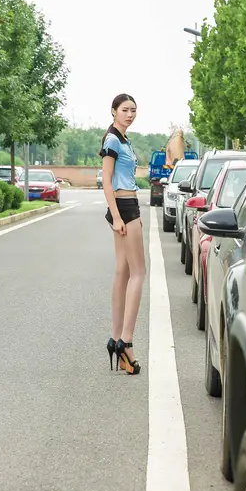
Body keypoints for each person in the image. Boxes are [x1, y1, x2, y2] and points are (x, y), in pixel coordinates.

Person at [99, 93, 145, 375]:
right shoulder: (113, 140)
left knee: (123, 272)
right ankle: (126, 342)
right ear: (113, 111)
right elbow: (106, 179)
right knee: (139, 273)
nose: (130, 114)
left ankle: (116, 337)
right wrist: (116, 216)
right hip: (125, 207)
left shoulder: (124, 140)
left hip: (125, 205)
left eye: (134, 110)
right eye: (125, 109)